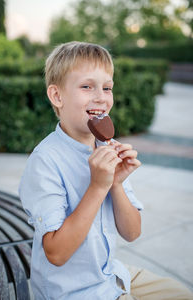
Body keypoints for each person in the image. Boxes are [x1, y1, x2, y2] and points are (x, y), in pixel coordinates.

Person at [19, 41, 193, 300]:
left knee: (180, 294)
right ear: (57, 96)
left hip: (110, 274)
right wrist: (98, 186)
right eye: (87, 86)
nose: (101, 96)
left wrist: (116, 184)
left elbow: (132, 233)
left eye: (107, 87)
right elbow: (56, 253)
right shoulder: (46, 161)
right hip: (74, 291)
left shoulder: (106, 146)